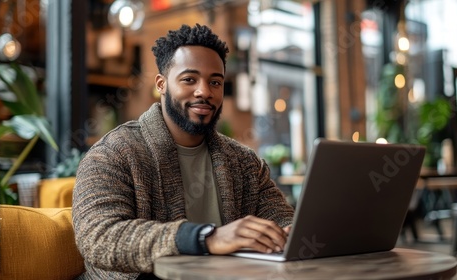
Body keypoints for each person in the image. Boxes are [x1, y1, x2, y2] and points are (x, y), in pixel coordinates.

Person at [72, 23, 295, 279]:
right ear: (161, 84)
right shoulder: (114, 153)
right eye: (189, 79)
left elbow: (281, 218)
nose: (205, 92)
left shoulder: (243, 162)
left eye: (215, 82)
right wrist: (205, 238)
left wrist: (289, 234)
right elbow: (99, 237)